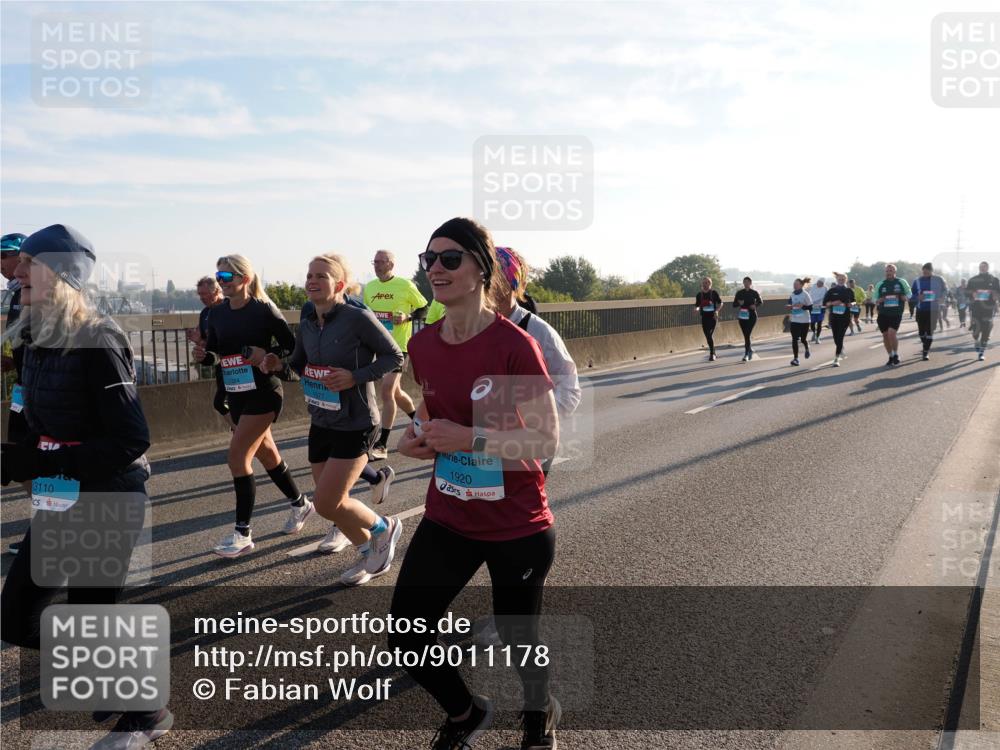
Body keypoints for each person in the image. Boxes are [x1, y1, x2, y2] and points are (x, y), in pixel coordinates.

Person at [389, 217, 561, 750]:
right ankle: (465, 713)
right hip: (450, 516)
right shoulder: (423, 347)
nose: (434, 269)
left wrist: (468, 438)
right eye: (428, 258)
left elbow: (545, 440)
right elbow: (429, 410)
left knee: (517, 637)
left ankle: (540, 712)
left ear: (480, 270)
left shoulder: (513, 346)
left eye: (449, 259)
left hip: (516, 522)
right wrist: (412, 437)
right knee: (406, 638)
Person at [0, 224, 173, 747]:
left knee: (87, 616)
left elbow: (130, 437)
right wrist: (22, 457)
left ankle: (146, 713)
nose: (16, 276)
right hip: (63, 491)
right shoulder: (35, 336)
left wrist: (45, 458)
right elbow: (34, 418)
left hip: (110, 492)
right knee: (13, 620)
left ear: (62, 275)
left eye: (30, 267)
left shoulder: (98, 337)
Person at [261, 254, 404, 585]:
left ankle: (385, 527)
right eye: (309, 275)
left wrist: (354, 376)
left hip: (355, 422)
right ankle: (368, 552)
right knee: (329, 506)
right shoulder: (309, 320)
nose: (312, 280)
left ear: (338, 284)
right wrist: (276, 366)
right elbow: (297, 366)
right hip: (321, 419)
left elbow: (393, 356)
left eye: (321, 276)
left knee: (328, 501)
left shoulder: (357, 318)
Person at [193, 255, 310, 557]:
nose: (221, 282)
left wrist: (269, 357)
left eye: (226, 276)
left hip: (264, 393)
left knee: (236, 458)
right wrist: (203, 355)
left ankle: (242, 533)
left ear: (244, 278)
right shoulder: (217, 314)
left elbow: (292, 348)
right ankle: (301, 504)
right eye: (218, 276)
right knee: (268, 455)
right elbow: (217, 354)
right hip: (236, 394)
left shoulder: (263, 310)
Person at [364, 250, 429, 460]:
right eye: (374, 262)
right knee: (397, 392)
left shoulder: (405, 285)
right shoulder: (371, 287)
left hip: (398, 347)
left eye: (381, 262)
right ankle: (419, 422)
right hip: (376, 345)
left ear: (391, 264)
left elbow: (423, 309)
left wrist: (408, 317)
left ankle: (382, 445)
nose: (377, 265)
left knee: (387, 391)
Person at [1, 232, 29, 555]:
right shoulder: (14, 295)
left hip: (39, 391)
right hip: (23, 388)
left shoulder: (35, 293)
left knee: (37, 461)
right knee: (23, 461)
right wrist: (11, 362)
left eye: (3, 254)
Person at [186, 276, 231, 424]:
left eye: (205, 294)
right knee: (222, 404)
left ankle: (240, 434)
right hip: (220, 366)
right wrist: (199, 341)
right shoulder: (205, 314)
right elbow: (209, 344)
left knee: (220, 402)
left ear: (217, 291)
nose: (202, 298)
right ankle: (241, 434)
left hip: (237, 364)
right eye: (200, 294)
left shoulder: (230, 307)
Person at [873, 263, 911, 367]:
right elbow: (874, 298)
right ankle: (890, 356)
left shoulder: (901, 282)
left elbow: (909, 293)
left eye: (890, 271)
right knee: (885, 335)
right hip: (883, 313)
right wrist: (878, 300)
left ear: (895, 272)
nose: (888, 272)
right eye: (887, 271)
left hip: (896, 312)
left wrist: (905, 297)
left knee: (891, 333)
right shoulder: (880, 284)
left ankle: (895, 354)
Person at [909, 263, 948, 361]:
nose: (925, 273)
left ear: (932, 271)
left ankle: (925, 352)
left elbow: (945, 290)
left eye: (927, 271)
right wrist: (917, 297)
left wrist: (943, 297)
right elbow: (911, 295)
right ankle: (925, 344)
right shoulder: (917, 281)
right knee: (921, 333)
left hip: (933, 309)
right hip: (921, 309)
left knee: (930, 331)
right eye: (924, 271)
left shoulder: (939, 279)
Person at [966, 261, 1000, 361]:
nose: (982, 268)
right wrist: (972, 294)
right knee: (976, 331)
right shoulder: (973, 280)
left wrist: (996, 296)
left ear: (988, 268)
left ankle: (981, 352)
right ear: (979, 268)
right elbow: (966, 292)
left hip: (988, 309)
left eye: (984, 267)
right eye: (981, 267)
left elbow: (998, 293)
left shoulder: (994, 280)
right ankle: (976, 340)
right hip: (976, 308)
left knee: (986, 330)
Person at [823, 273, 855, 367]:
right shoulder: (831, 290)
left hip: (845, 317)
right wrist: (833, 303)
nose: (841, 280)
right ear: (837, 279)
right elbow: (825, 303)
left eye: (843, 279)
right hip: (834, 317)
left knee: (840, 337)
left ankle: (836, 359)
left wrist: (851, 304)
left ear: (846, 280)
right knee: (836, 337)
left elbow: (854, 301)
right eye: (839, 279)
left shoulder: (849, 290)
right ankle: (840, 348)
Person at [732, 276, 763, 362]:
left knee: (747, 334)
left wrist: (755, 306)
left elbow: (761, 301)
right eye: (744, 282)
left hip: (752, 316)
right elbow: (734, 305)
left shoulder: (754, 292)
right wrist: (739, 303)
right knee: (746, 335)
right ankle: (749, 349)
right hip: (742, 316)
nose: (746, 283)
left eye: (747, 282)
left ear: (750, 283)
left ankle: (746, 354)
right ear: (743, 283)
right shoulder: (739, 293)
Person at [694, 278, 722, 361]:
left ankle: (712, 354)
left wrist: (716, 311)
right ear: (702, 284)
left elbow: (721, 303)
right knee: (707, 335)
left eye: (707, 282)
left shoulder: (714, 293)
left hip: (712, 317)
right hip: (704, 317)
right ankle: (713, 352)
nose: (705, 284)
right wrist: (697, 309)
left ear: (710, 284)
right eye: (704, 283)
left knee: (709, 335)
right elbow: (698, 305)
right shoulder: (699, 295)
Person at [786, 279, 812, 366]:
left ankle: (807, 348)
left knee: (803, 339)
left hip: (804, 320)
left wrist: (803, 306)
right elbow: (789, 304)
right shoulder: (792, 294)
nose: (794, 285)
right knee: (794, 339)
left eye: (796, 284)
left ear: (801, 285)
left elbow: (810, 307)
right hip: (794, 320)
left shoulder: (805, 294)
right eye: (794, 284)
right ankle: (796, 359)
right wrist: (789, 306)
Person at [808, 278, 826, 343]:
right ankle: (814, 332)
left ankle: (817, 338)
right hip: (813, 307)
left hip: (821, 308)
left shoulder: (825, 288)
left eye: (821, 283)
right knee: (812, 323)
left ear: (823, 284)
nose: (819, 284)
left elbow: (824, 297)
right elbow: (809, 295)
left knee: (819, 323)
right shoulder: (813, 287)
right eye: (818, 282)